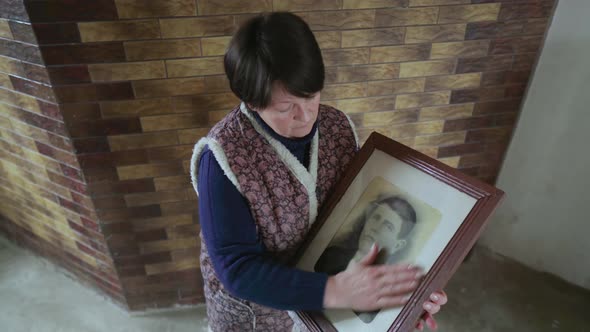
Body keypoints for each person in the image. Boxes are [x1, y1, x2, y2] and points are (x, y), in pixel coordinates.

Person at [190, 12, 446, 332]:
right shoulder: (222, 158)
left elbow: (358, 213)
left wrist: (406, 295)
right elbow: (238, 269)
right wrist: (337, 291)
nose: (306, 115)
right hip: (257, 315)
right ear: (252, 102)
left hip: (324, 302)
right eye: (285, 108)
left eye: (311, 96)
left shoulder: (337, 127)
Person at [315, 196, 419, 323]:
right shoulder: (330, 255)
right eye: (375, 218)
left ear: (397, 245)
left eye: (388, 226)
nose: (375, 228)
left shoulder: (387, 292)